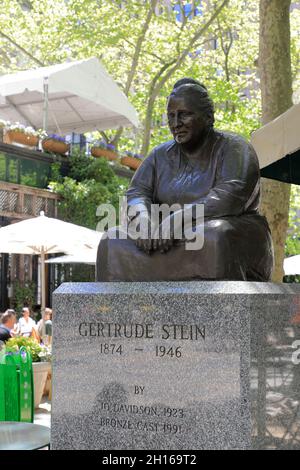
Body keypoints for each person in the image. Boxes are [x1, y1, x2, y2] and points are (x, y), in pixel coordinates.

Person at [96, 78, 274, 282]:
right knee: (112, 241)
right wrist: (143, 221)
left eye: (185, 115)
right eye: (171, 116)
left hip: (224, 234)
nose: (175, 123)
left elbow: (230, 195)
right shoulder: (158, 156)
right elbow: (137, 193)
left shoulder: (235, 148)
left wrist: (178, 220)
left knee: (215, 235)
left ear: (208, 117)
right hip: (162, 236)